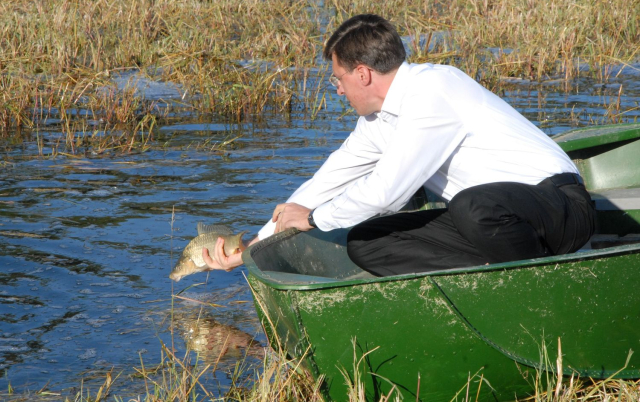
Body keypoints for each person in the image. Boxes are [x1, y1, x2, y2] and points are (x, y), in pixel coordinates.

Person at [202, 14, 595, 277]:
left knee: (473, 205)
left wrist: (315, 219)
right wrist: (252, 246)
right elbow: (325, 184)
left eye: (339, 78)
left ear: (363, 73)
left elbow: (386, 192)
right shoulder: (377, 120)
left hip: (558, 209)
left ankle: (536, 278)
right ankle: (487, 276)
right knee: (365, 243)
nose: (337, 89)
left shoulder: (434, 90)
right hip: (489, 224)